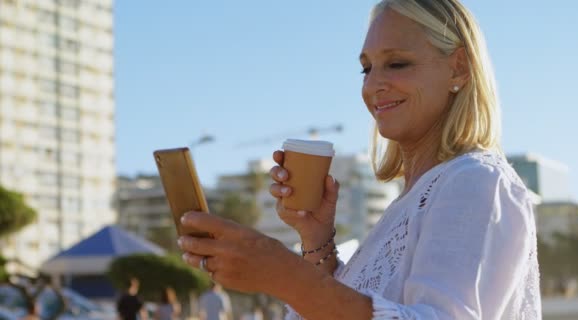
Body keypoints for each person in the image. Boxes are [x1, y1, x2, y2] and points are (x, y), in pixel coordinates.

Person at [177, 0, 541, 318]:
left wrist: (283, 273)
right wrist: (315, 238)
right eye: (366, 68)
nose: (373, 85)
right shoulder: (416, 198)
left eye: (397, 63)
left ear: (458, 67)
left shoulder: (476, 181)